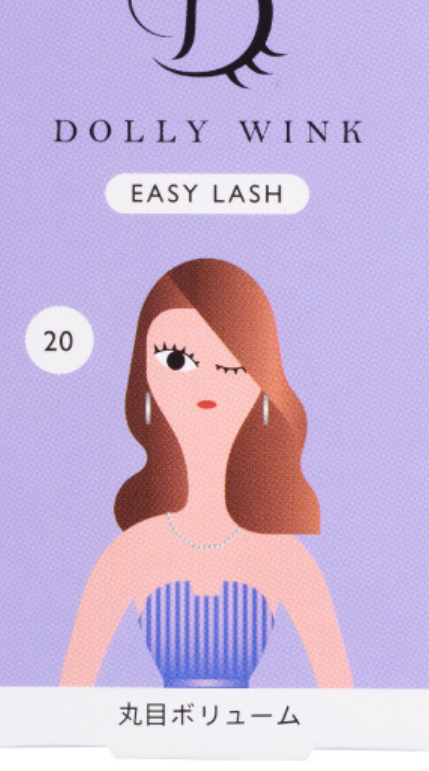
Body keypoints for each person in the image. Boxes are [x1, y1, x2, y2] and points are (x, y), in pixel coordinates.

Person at [60, 258, 352, 688]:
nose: (205, 383)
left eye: (232, 363)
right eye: (176, 359)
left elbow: (344, 700)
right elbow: (68, 699)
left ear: (264, 386)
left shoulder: (286, 559)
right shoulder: (127, 555)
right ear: (145, 382)